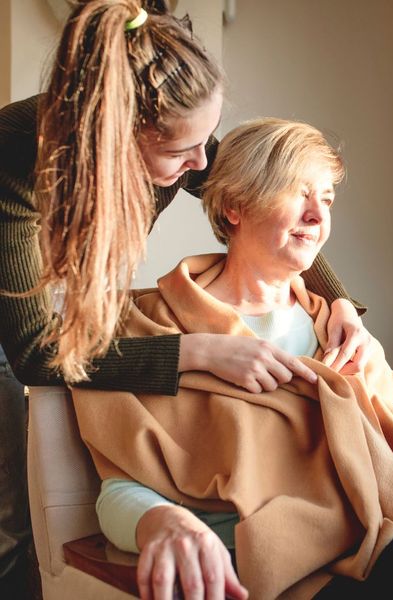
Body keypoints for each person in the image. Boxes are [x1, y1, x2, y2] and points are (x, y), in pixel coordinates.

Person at [0, 1, 369, 591]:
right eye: (179, 155)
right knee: (10, 521)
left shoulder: (180, 127)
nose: (202, 165)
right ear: (112, 139)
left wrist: (339, 297)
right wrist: (195, 351)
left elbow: (253, 193)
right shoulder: (14, 162)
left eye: (205, 142)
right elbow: (34, 354)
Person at [72, 118, 393, 600]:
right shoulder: (150, 329)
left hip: (361, 550)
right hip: (246, 568)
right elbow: (119, 488)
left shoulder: (340, 331)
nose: (318, 217)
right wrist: (162, 521)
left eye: (326, 199)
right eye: (298, 193)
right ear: (235, 206)